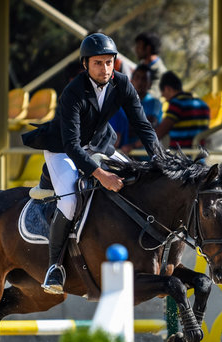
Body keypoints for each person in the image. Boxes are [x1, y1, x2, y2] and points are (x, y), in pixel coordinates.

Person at [22, 32, 162, 295]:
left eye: (109, 62)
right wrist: (100, 175)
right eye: (98, 63)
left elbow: (143, 125)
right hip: (63, 150)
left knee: (133, 177)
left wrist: (160, 158)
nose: (105, 69)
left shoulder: (122, 84)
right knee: (70, 200)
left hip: (99, 145)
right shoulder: (73, 91)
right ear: (85, 64)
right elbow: (73, 146)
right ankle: (55, 267)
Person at [155, 71, 210, 150]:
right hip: (200, 157)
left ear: (168, 89)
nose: (164, 98)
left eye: (163, 93)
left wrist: (134, 145)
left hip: (182, 159)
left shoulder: (177, 104)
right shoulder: (203, 105)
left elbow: (160, 133)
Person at [119, 64, 163, 155]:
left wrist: (133, 145)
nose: (140, 82)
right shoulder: (122, 101)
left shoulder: (154, 103)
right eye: (137, 77)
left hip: (145, 155)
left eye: (144, 79)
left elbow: (148, 129)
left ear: (150, 84)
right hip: (122, 153)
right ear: (131, 80)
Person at [134, 32, 167, 99]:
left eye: (139, 46)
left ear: (148, 48)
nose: (136, 49)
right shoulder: (142, 65)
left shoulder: (160, 72)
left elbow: (152, 96)